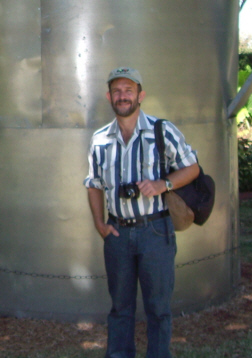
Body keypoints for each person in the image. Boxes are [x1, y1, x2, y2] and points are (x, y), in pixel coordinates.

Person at [84, 67, 200, 358]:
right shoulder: (100, 139)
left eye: (129, 90)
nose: (122, 96)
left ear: (141, 95)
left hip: (155, 231)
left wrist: (163, 184)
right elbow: (93, 184)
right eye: (117, 91)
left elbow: (192, 168)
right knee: (120, 308)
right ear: (109, 97)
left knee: (158, 308)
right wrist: (100, 224)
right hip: (117, 233)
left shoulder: (162, 131)